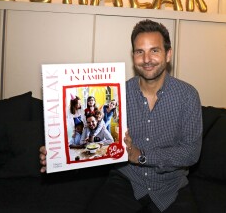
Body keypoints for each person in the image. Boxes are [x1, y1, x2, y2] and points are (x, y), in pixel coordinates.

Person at [40, 19, 202, 213]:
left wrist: (141, 156)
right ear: (133, 56)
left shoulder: (187, 95)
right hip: (127, 181)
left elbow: (190, 152)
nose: (146, 59)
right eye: (139, 51)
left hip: (171, 186)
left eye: (154, 50)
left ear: (168, 54)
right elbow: (97, 136)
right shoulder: (118, 94)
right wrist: (59, 152)